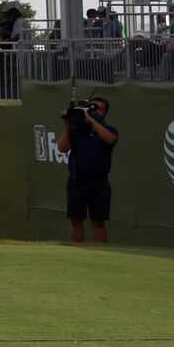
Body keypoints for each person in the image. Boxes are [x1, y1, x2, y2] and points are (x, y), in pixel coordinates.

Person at [62, 94, 118, 246]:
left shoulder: (109, 130)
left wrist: (91, 120)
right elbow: (62, 147)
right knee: (76, 220)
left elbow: (110, 139)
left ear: (104, 112)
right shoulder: (77, 130)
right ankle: (77, 253)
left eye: (97, 108)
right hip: (76, 181)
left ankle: (101, 254)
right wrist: (67, 124)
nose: (92, 110)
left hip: (99, 183)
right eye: (91, 107)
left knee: (98, 222)